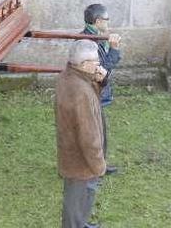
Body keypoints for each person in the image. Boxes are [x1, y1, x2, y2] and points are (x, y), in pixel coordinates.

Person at [55, 40, 109, 228]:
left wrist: (102, 81)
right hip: (81, 158)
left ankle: (81, 223)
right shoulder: (80, 91)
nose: (99, 66)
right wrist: (99, 164)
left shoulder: (70, 76)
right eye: (96, 62)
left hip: (73, 152)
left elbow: (92, 96)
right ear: (84, 64)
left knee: (82, 196)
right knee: (77, 198)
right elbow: (89, 136)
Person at [81, 4, 120, 175]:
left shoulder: (96, 37)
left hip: (95, 93)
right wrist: (114, 49)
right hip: (91, 94)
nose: (108, 22)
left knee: (98, 132)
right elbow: (101, 70)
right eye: (106, 19)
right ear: (97, 21)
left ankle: (97, 165)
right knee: (95, 133)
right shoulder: (87, 41)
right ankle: (94, 168)